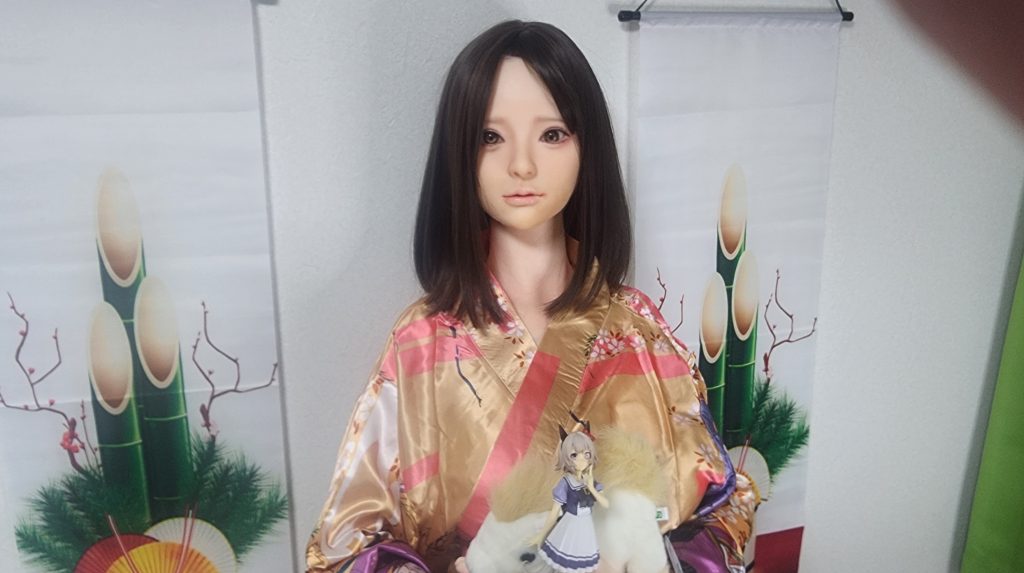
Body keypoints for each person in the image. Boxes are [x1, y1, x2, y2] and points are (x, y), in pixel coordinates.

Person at [305, 20, 755, 573]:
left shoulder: (636, 326)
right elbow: (346, 548)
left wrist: (654, 556)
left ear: (587, 148)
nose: (521, 164)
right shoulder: (423, 341)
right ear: (459, 153)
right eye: (490, 137)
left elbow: (722, 505)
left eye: (552, 134)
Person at [530, 430, 608, 573]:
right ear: (566, 457)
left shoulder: (591, 481)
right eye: (574, 455)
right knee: (566, 564)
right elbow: (554, 513)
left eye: (586, 454)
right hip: (570, 525)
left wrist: (591, 487)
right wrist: (541, 535)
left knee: (582, 564)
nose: (581, 460)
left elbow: (606, 504)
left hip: (586, 527)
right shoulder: (565, 483)